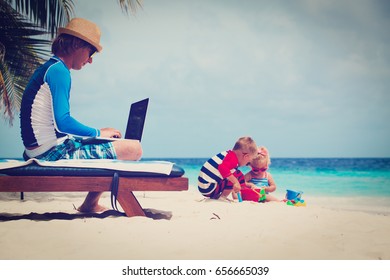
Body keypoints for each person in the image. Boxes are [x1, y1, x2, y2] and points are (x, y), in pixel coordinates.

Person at [19, 18, 142, 213]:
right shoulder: (59, 71)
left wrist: (99, 135)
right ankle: (91, 204)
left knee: (112, 141)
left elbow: (58, 126)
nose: (91, 59)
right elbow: (63, 122)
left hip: (44, 149)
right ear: (77, 45)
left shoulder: (51, 68)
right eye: (91, 52)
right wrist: (97, 132)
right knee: (133, 149)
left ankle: (90, 204)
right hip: (49, 154)